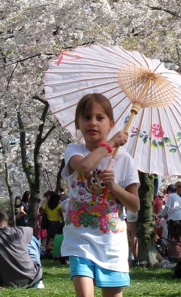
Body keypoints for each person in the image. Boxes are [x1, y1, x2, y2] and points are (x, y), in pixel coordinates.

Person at [61, 93, 139, 297]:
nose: (92, 123)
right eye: (86, 117)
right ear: (78, 123)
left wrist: (113, 186)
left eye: (99, 118)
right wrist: (111, 143)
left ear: (111, 123)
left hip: (111, 243)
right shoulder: (73, 150)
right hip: (80, 240)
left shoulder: (125, 160)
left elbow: (134, 205)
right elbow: (85, 166)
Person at [0, 210, 43, 290]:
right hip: (32, 278)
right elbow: (31, 229)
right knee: (32, 240)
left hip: (9, 282)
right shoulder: (20, 231)